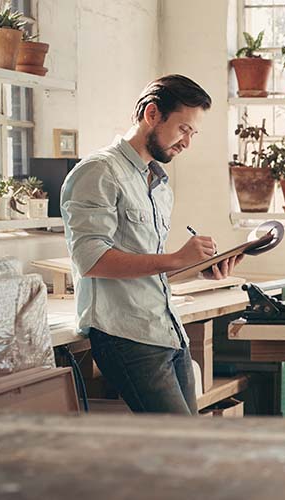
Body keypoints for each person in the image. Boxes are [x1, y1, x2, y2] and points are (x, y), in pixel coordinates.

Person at [60, 75, 242, 414]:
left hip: (167, 331)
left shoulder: (158, 182)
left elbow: (149, 271)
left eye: (193, 133)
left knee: (187, 446)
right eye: (184, 129)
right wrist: (174, 259)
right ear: (153, 114)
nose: (187, 142)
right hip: (126, 337)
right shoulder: (98, 172)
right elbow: (91, 259)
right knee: (178, 448)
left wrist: (199, 270)